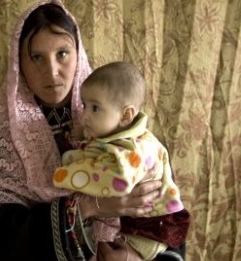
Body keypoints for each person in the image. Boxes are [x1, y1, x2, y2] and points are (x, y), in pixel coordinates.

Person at [0, 0, 187, 261]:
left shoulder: (115, 118)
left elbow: (166, 210)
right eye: (36, 57)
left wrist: (132, 258)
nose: (51, 72)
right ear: (19, 65)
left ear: (78, 53)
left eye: (62, 53)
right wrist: (88, 206)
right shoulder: (7, 139)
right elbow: (1, 235)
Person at [53, 61, 189, 260]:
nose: (84, 117)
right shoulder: (117, 135)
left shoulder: (134, 150)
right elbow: (94, 156)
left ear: (126, 115)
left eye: (95, 108)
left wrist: (66, 173)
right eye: (84, 106)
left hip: (146, 234)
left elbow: (113, 178)